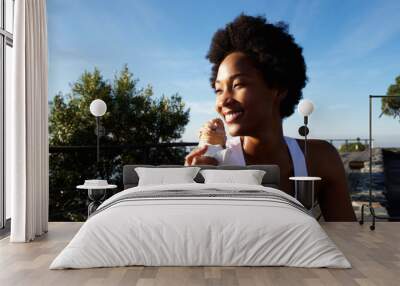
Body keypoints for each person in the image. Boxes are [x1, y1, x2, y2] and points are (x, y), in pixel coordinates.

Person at [184, 14, 356, 221]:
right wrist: (191, 192)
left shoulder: (320, 158)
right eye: (219, 90)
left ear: (278, 87)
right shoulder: (215, 164)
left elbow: (348, 237)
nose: (223, 101)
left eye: (238, 85)